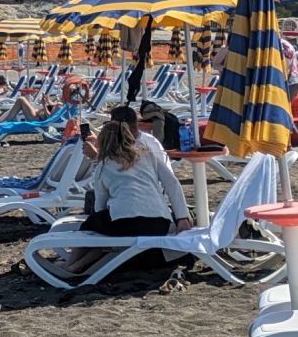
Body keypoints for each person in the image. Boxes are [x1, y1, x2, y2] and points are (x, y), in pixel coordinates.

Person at [51, 108, 192, 277]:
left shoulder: (103, 165)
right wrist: (182, 217)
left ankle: (71, 265)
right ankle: (75, 266)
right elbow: (172, 183)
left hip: (127, 223)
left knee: (94, 224)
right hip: (160, 223)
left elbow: (100, 206)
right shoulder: (148, 154)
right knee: (108, 230)